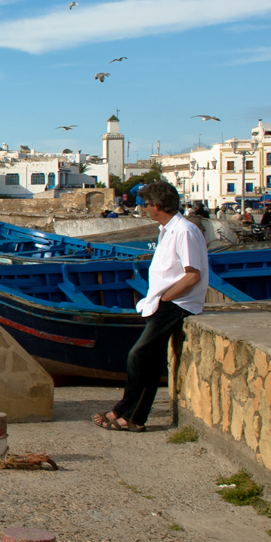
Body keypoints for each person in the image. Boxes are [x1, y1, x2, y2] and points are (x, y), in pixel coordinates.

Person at [94, 179, 207, 433]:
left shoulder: (184, 231)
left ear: (156, 205)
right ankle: (134, 417)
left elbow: (192, 275)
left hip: (176, 304)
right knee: (151, 363)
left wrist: (166, 299)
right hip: (162, 302)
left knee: (139, 355)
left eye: (146, 204)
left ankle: (122, 411)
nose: (144, 208)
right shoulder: (167, 229)